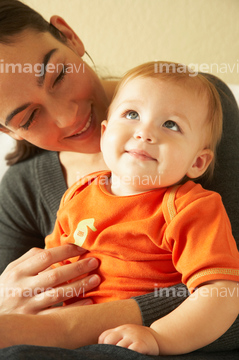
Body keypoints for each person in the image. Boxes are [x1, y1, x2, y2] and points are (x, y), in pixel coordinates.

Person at [0, 0, 238, 359]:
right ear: (7, 130)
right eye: (29, 117)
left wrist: (67, 328)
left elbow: (225, 296)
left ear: (69, 36)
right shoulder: (29, 190)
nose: (68, 117)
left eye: (59, 76)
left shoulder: (195, 105)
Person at [45, 62, 239, 355]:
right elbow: (51, 271)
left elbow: (222, 294)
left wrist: (159, 338)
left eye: (171, 124)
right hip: (67, 338)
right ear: (105, 133)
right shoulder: (77, 195)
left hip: (132, 344)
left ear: (197, 162)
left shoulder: (189, 207)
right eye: (132, 114)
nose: (145, 133)